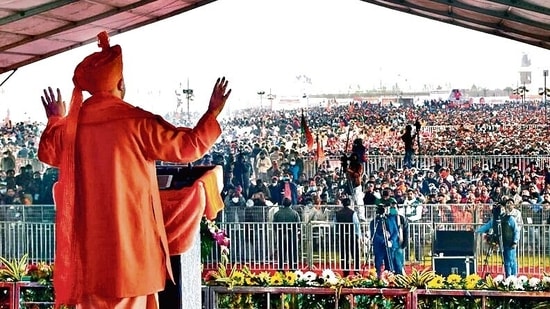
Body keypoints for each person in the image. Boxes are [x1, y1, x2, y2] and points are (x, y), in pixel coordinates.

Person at [37, 31, 230, 308]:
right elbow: (189, 147)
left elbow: (48, 151)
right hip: (132, 259)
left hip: (89, 262)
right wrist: (212, 113)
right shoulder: (136, 122)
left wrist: (55, 118)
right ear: (120, 82)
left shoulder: (71, 129)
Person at [476, 200, 520, 277]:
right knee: (506, 261)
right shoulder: (494, 221)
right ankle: (508, 276)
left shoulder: (510, 219)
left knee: (511, 260)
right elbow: (486, 227)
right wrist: (476, 231)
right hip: (502, 243)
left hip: (510, 243)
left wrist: (515, 241)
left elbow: (516, 230)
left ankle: (514, 276)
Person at [334, 197, 362, 277]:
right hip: (352, 235)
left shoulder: (337, 213)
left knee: (344, 254)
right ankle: (356, 271)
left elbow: (335, 225)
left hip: (342, 235)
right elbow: (357, 225)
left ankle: (345, 271)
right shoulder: (353, 213)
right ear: (350, 204)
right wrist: (359, 236)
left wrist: (337, 234)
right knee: (355, 254)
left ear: (342, 204)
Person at [369, 204, 399, 278]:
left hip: (390, 246)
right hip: (379, 246)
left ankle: (389, 278)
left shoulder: (391, 219)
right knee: (378, 264)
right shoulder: (374, 221)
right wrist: (383, 240)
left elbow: (395, 232)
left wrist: (391, 241)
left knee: (389, 264)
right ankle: (378, 278)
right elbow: (374, 234)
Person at [273, 197, 301, 271]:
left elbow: (274, 225)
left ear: (282, 204)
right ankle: (293, 268)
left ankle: (280, 268)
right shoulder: (295, 213)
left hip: (281, 235)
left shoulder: (277, 214)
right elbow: (298, 225)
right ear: (290, 204)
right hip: (292, 236)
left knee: (281, 252)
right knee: (292, 252)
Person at [388, 202, 408, 274]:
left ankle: (400, 276)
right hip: (390, 244)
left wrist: (405, 243)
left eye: (394, 208)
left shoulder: (402, 218)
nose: (393, 209)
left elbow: (405, 231)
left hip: (399, 243)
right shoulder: (386, 218)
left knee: (399, 262)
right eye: (391, 208)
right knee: (390, 262)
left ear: (398, 208)